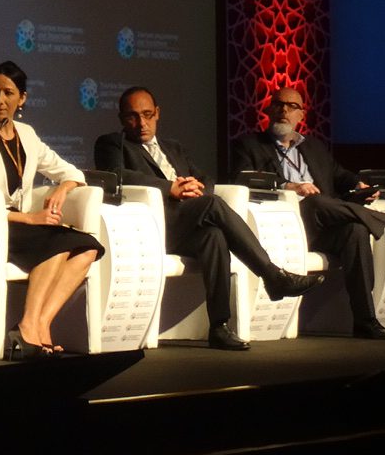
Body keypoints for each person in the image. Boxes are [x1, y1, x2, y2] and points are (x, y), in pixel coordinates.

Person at [94, 87, 320, 350]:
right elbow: (118, 175)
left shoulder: (173, 148)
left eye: (147, 115)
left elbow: (206, 179)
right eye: (132, 117)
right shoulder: (112, 143)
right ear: (122, 118)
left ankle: (219, 327)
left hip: (189, 222)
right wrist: (171, 188)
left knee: (214, 237)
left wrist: (196, 188)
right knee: (212, 205)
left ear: (157, 113)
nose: (141, 123)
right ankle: (272, 275)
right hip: (154, 227)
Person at [228, 87, 385, 341]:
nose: (284, 110)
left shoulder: (314, 147)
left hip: (322, 225)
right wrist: (290, 186)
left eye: (291, 106)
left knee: (355, 231)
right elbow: (242, 179)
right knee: (316, 201)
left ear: (302, 114)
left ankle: (366, 320)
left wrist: (358, 185)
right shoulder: (249, 145)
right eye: (278, 104)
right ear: (268, 109)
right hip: (284, 225)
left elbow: (340, 175)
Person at [0, 60, 104, 357]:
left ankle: (40, 323)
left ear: (22, 98)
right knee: (57, 245)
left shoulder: (28, 135)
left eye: (8, 93)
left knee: (89, 248)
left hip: (27, 225)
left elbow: (72, 172)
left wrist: (63, 188)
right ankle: (27, 326)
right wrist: (30, 218)